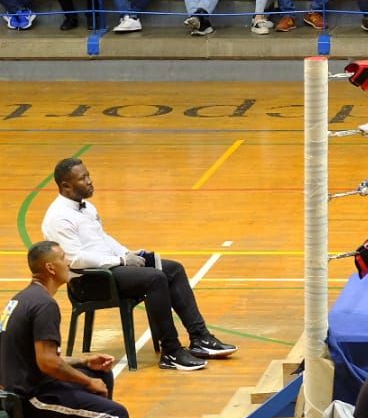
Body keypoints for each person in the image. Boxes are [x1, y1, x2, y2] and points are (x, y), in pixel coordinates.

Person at [40, 156, 236, 371]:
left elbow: (103, 238)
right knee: (155, 279)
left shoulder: (87, 208)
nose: (89, 181)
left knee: (172, 269)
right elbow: (74, 259)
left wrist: (127, 253)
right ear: (66, 186)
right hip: (90, 280)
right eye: (82, 178)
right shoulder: (58, 217)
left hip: (111, 269)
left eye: (88, 175)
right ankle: (171, 351)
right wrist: (121, 260)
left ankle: (200, 338)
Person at [0, 240, 130, 418]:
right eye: (63, 258)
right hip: (28, 398)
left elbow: (36, 355)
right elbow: (48, 363)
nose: (68, 262)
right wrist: (86, 382)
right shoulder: (45, 306)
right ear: (50, 267)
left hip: (21, 387)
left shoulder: (23, 298)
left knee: (102, 374)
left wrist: (83, 362)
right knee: (115, 415)